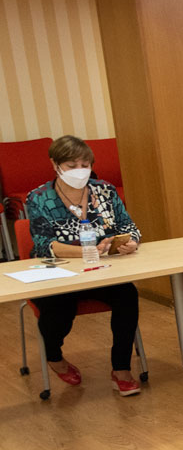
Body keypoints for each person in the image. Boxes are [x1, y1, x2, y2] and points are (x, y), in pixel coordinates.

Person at [26, 135, 144, 397]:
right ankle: (55, 358)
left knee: (127, 295)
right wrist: (86, 251)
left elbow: (128, 226)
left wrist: (131, 242)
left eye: (85, 164)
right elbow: (45, 244)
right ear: (55, 165)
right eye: (71, 165)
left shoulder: (105, 190)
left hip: (103, 270)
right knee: (59, 306)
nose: (80, 170)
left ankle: (121, 368)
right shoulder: (38, 198)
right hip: (59, 273)